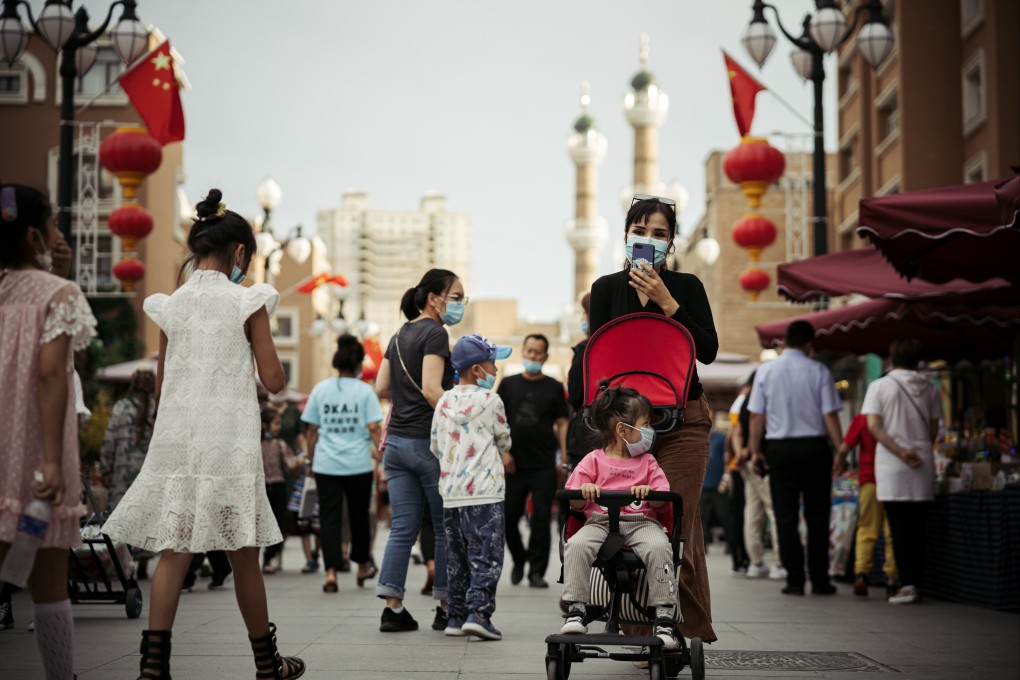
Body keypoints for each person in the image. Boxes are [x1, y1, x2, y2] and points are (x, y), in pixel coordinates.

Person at [102, 189, 305, 679]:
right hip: (229, 445)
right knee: (244, 555)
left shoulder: (170, 306)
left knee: (174, 551)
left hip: (177, 445)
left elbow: (163, 385)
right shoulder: (247, 300)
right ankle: (267, 664)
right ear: (240, 253)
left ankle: (153, 666)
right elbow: (274, 381)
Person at [588, 194, 718, 642]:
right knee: (632, 521)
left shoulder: (687, 287)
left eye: (659, 234)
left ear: (672, 242)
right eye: (640, 231)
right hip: (626, 423)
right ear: (625, 235)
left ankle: (681, 629)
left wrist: (667, 302)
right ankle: (641, 626)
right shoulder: (606, 289)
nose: (649, 240)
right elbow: (600, 356)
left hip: (684, 419)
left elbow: (707, 350)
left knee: (677, 521)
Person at [0, 184, 97, 677]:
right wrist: (55, 463)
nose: (60, 235)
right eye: (54, 224)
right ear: (35, 235)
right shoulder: (59, 295)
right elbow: (50, 374)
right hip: (34, 451)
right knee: (49, 580)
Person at [374, 268, 464, 632]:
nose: (459, 303)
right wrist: (463, 419)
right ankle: (445, 606)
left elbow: (382, 388)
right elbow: (431, 389)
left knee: (402, 528)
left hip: (395, 444)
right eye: (456, 297)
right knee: (443, 527)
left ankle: (392, 608)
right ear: (433, 298)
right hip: (427, 444)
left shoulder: (398, 335)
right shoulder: (435, 333)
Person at [559, 384, 679, 650]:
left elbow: (662, 501)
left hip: (641, 522)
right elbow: (573, 501)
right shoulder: (593, 460)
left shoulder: (648, 462)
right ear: (623, 430)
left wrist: (650, 493)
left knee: (659, 547)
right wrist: (585, 491)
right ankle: (576, 608)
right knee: (576, 545)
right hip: (599, 522)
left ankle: (664, 614)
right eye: (645, 424)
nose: (650, 430)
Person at [748, 320, 842, 597]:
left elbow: (757, 416)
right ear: (809, 343)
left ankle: (795, 580)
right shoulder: (819, 370)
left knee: (785, 516)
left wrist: (755, 451)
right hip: (814, 448)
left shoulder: (766, 371)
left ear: (785, 341)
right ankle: (820, 579)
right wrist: (841, 449)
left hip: (779, 450)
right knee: (818, 515)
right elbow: (829, 414)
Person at [431, 333, 514, 641]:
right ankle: (479, 614)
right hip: (485, 491)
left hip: (451, 493)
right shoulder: (491, 400)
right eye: (492, 364)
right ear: (477, 369)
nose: (495, 370)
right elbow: (504, 441)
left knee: (457, 558)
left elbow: (435, 446)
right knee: (486, 557)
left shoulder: (443, 401)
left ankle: (455, 616)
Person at [860, 338, 940, 605]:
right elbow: (933, 429)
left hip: (893, 466)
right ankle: (916, 582)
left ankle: (906, 585)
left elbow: (874, 426)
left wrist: (901, 451)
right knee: (919, 528)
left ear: (893, 357)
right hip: (922, 462)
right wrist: (917, 449)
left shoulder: (880, 386)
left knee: (899, 528)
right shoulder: (930, 387)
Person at [302, 334, 384, 593]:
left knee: (329, 518)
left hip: (326, 465)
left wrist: (310, 460)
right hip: (358, 464)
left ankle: (330, 573)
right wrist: (383, 458)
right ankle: (361, 567)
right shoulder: (365, 391)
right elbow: (374, 428)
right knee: (360, 518)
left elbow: (312, 430)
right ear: (359, 364)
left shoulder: (320, 389)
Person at [498, 333, 570, 589]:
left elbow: (562, 422)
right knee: (508, 517)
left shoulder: (554, 386)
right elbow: (497, 420)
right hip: (513, 463)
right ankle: (519, 559)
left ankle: (536, 572)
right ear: (523, 351)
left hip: (543, 464)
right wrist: (503, 452)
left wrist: (564, 455)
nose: (533, 356)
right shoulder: (508, 384)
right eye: (529, 351)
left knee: (541, 518)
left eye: (538, 352)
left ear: (545, 356)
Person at [834, 413, 899, 597]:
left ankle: (861, 574)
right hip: (894, 480)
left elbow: (844, 447)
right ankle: (892, 579)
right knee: (892, 531)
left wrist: (840, 462)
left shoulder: (862, 418)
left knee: (866, 529)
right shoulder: (894, 416)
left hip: (869, 480)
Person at [737, 375, 784, 581]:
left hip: (748, 463)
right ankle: (779, 563)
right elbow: (756, 422)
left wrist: (742, 452)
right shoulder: (763, 398)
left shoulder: (745, 401)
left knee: (753, 512)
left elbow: (738, 431)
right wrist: (754, 450)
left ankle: (756, 562)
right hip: (762, 460)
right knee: (775, 510)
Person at [100, 368, 157, 511]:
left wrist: (105, 470)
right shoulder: (158, 409)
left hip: (121, 480)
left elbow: (109, 441)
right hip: (148, 483)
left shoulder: (120, 407)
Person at [260, 407, 303, 574]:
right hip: (264, 487)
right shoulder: (259, 444)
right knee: (264, 524)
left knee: (277, 524)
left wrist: (299, 461)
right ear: (264, 425)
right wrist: (299, 460)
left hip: (276, 487)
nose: (279, 427)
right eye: (276, 424)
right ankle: (263, 558)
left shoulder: (279, 444)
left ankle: (269, 556)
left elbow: (290, 464)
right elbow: (291, 464)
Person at [723, 383, 750, 575]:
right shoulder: (742, 402)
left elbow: (730, 437)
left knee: (738, 514)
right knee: (744, 514)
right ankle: (743, 557)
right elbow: (734, 433)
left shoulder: (738, 403)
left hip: (736, 466)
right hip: (743, 466)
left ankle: (738, 558)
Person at [700, 429, 728, 551]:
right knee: (701, 517)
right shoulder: (699, 437)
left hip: (717, 485)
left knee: (724, 515)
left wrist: (726, 478)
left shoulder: (721, 437)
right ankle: (703, 545)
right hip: (703, 485)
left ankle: (730, 545)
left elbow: (727, 459)